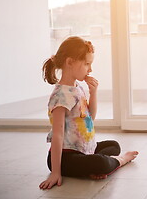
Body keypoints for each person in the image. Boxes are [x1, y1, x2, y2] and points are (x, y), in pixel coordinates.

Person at [39, 36, 138, 190]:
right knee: (100, 162)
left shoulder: (77, 87)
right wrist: (55, 173)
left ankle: (91, 169)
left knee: (113, 145)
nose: (90, 69)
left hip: (84, 150)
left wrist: (93, 92)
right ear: (70, 62)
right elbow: (57, 135)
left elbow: (90, 116)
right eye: (86, 64)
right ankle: (121, 160)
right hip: (66, 157)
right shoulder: (61, 96)